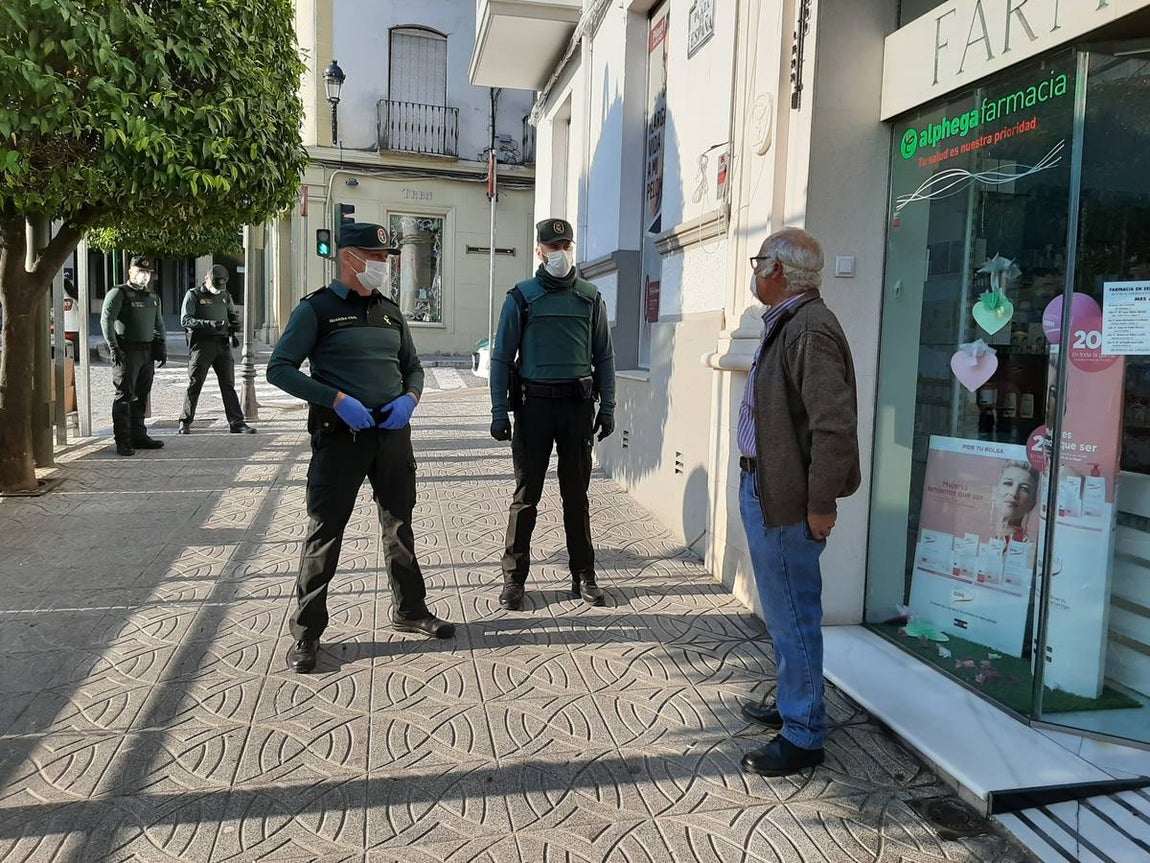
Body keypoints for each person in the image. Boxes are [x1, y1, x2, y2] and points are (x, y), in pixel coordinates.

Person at [267, 222, 455, 674]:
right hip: (340, 437)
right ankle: (307, 634)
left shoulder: (391, 312)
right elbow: (280, 368)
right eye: (375, 257)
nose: (383, 265)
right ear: (349, 258)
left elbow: (412, 367)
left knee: (399, 526)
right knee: (325, 532)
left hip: (391, 436)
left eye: (386, 258)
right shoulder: (317, 310)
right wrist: (335, 399)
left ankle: (409, 610)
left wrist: (411, 399)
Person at [737, 227, 860, 777]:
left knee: (794, 615)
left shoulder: (809, 328)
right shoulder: (790, 322)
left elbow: (833, 428)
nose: (756, 269)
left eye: (760, 260)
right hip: (768, 489)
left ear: (781, 271)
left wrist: (820, 505)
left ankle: (805, 734)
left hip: (787, 499)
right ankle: (795, 708)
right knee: (783, 611)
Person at [489, 218, 616, 610]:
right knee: (526, 497)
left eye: (565, 245)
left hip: (577, 407)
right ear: (539, 250)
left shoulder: (590, 297)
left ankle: (585, 575)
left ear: (570, 248)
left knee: (576, 496)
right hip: (534, 408)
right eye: (552, 245)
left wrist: (607, 406)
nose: (559, 252)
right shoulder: (521, 298)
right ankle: (514, 580)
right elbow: (500, 357)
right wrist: (498, 410)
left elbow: (604, 356)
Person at [100, 255, 167, 456]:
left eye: (147, 273)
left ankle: (139, 435)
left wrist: (161, 345)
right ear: (130, 272)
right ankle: (123, 440)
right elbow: (106, 320)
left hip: (146, 351)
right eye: (140, 271)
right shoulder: (119, 293)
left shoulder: (152, 297)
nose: (144, 276)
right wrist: (113, 346)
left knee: (142, 395)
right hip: (126, 351)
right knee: (125, 395)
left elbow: (159, 323)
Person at [177, 265, 255, 434]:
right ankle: (185, 421)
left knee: (228, 384)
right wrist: (208, 324)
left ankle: (236, 422)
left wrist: (234, 325)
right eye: (215, 285)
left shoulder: (225, 295)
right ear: (207, 279)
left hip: (222, 344)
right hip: (201, 345)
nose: (217, 289)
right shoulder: (194, 295)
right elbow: (185, 320)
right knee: (195, 383)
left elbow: (231, 313)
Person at [989, 462, 1038, 543]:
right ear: (994, 492)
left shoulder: (1028, 550)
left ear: (1032, 503)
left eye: (1024, 489)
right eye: (1008, 483)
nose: (1013, 493)